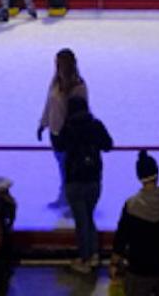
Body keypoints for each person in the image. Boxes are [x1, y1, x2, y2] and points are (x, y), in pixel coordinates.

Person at [52, 95, 114, 274]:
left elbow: (59, 147)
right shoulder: (96, 125)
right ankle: (93, 255)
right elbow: (108, 145)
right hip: (94, 179)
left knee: (82, 221)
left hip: (74, 180)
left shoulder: (68, 127)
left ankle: (85, 259)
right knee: (89, 217)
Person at [112, 150, 159, 296]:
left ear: (138, 176)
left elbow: (121, 236)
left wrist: (114, 263)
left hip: (139, 269)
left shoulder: (131, 205)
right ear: (158, 173)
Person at [38, 48, 90, 211]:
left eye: (59, 63)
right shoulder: (55, 82)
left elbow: (82, 112)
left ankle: (72, 202)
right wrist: (43, 124)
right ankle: (64, 198)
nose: (57, 66)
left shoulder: (78, 87)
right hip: (55, 134)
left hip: (70, 137)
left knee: (70, 170)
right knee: (63, 168)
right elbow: (49, 104)